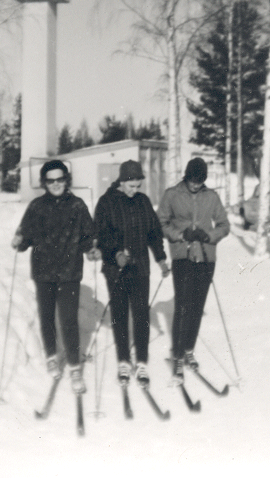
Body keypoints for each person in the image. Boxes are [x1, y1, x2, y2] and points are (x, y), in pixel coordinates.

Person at [11, 159, 96, 394]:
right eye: (51, 181)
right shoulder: (37, 207)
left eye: (60, 179)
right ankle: (51, 355)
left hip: (69, 271)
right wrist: (18, 242)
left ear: (66, 180)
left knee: (68, 319)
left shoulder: (77, 206)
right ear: (44, 183)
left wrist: (91, 249)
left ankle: (75, 366)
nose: (56, 184)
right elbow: (25, 236)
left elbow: (89, 236)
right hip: (43, 272)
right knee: (47, 317)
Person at [92, 159, 169, 388]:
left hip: (140, 267)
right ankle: (124, 361)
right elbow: (101, 235)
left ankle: (142, 362)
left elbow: (154, 233)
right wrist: (115, 253)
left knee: (141, 314)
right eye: (131, 186)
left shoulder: (143, 202)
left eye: (138, 186)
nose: (135, 191)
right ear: (122, 181)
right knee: (119, 314)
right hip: (115, 270)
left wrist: (161, 259)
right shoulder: (106, 203)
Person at [157, 157, 230, 385]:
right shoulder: (172, 194)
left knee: (197, 307)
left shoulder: (212, 197)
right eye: (192, 180)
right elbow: (160, 223)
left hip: (206, 257)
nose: (196, 184)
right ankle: (177, 357)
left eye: (200, 181)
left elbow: (224, 224)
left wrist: (209, 236)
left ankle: (189, 349)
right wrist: (180, 234)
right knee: (183, 306)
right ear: (186, 176)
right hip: (183, 256)